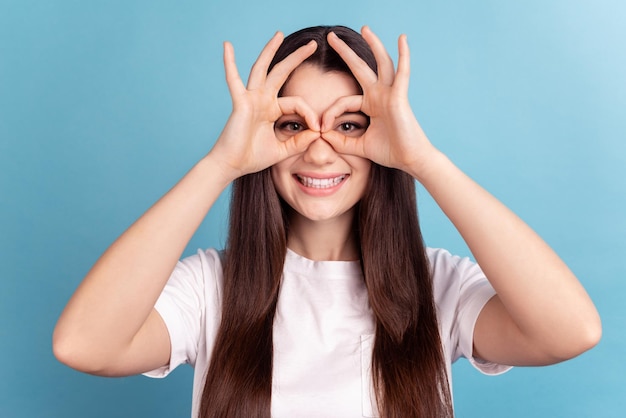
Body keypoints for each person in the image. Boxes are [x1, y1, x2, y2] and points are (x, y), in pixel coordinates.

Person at [52, 25, 601, 417]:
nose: (319, 153)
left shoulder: (439, 288)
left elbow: (571, 332)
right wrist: (220, 164)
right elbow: (84, 345)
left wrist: (423, 161)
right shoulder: (210, 288)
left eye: (350, 124)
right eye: (292, 125)